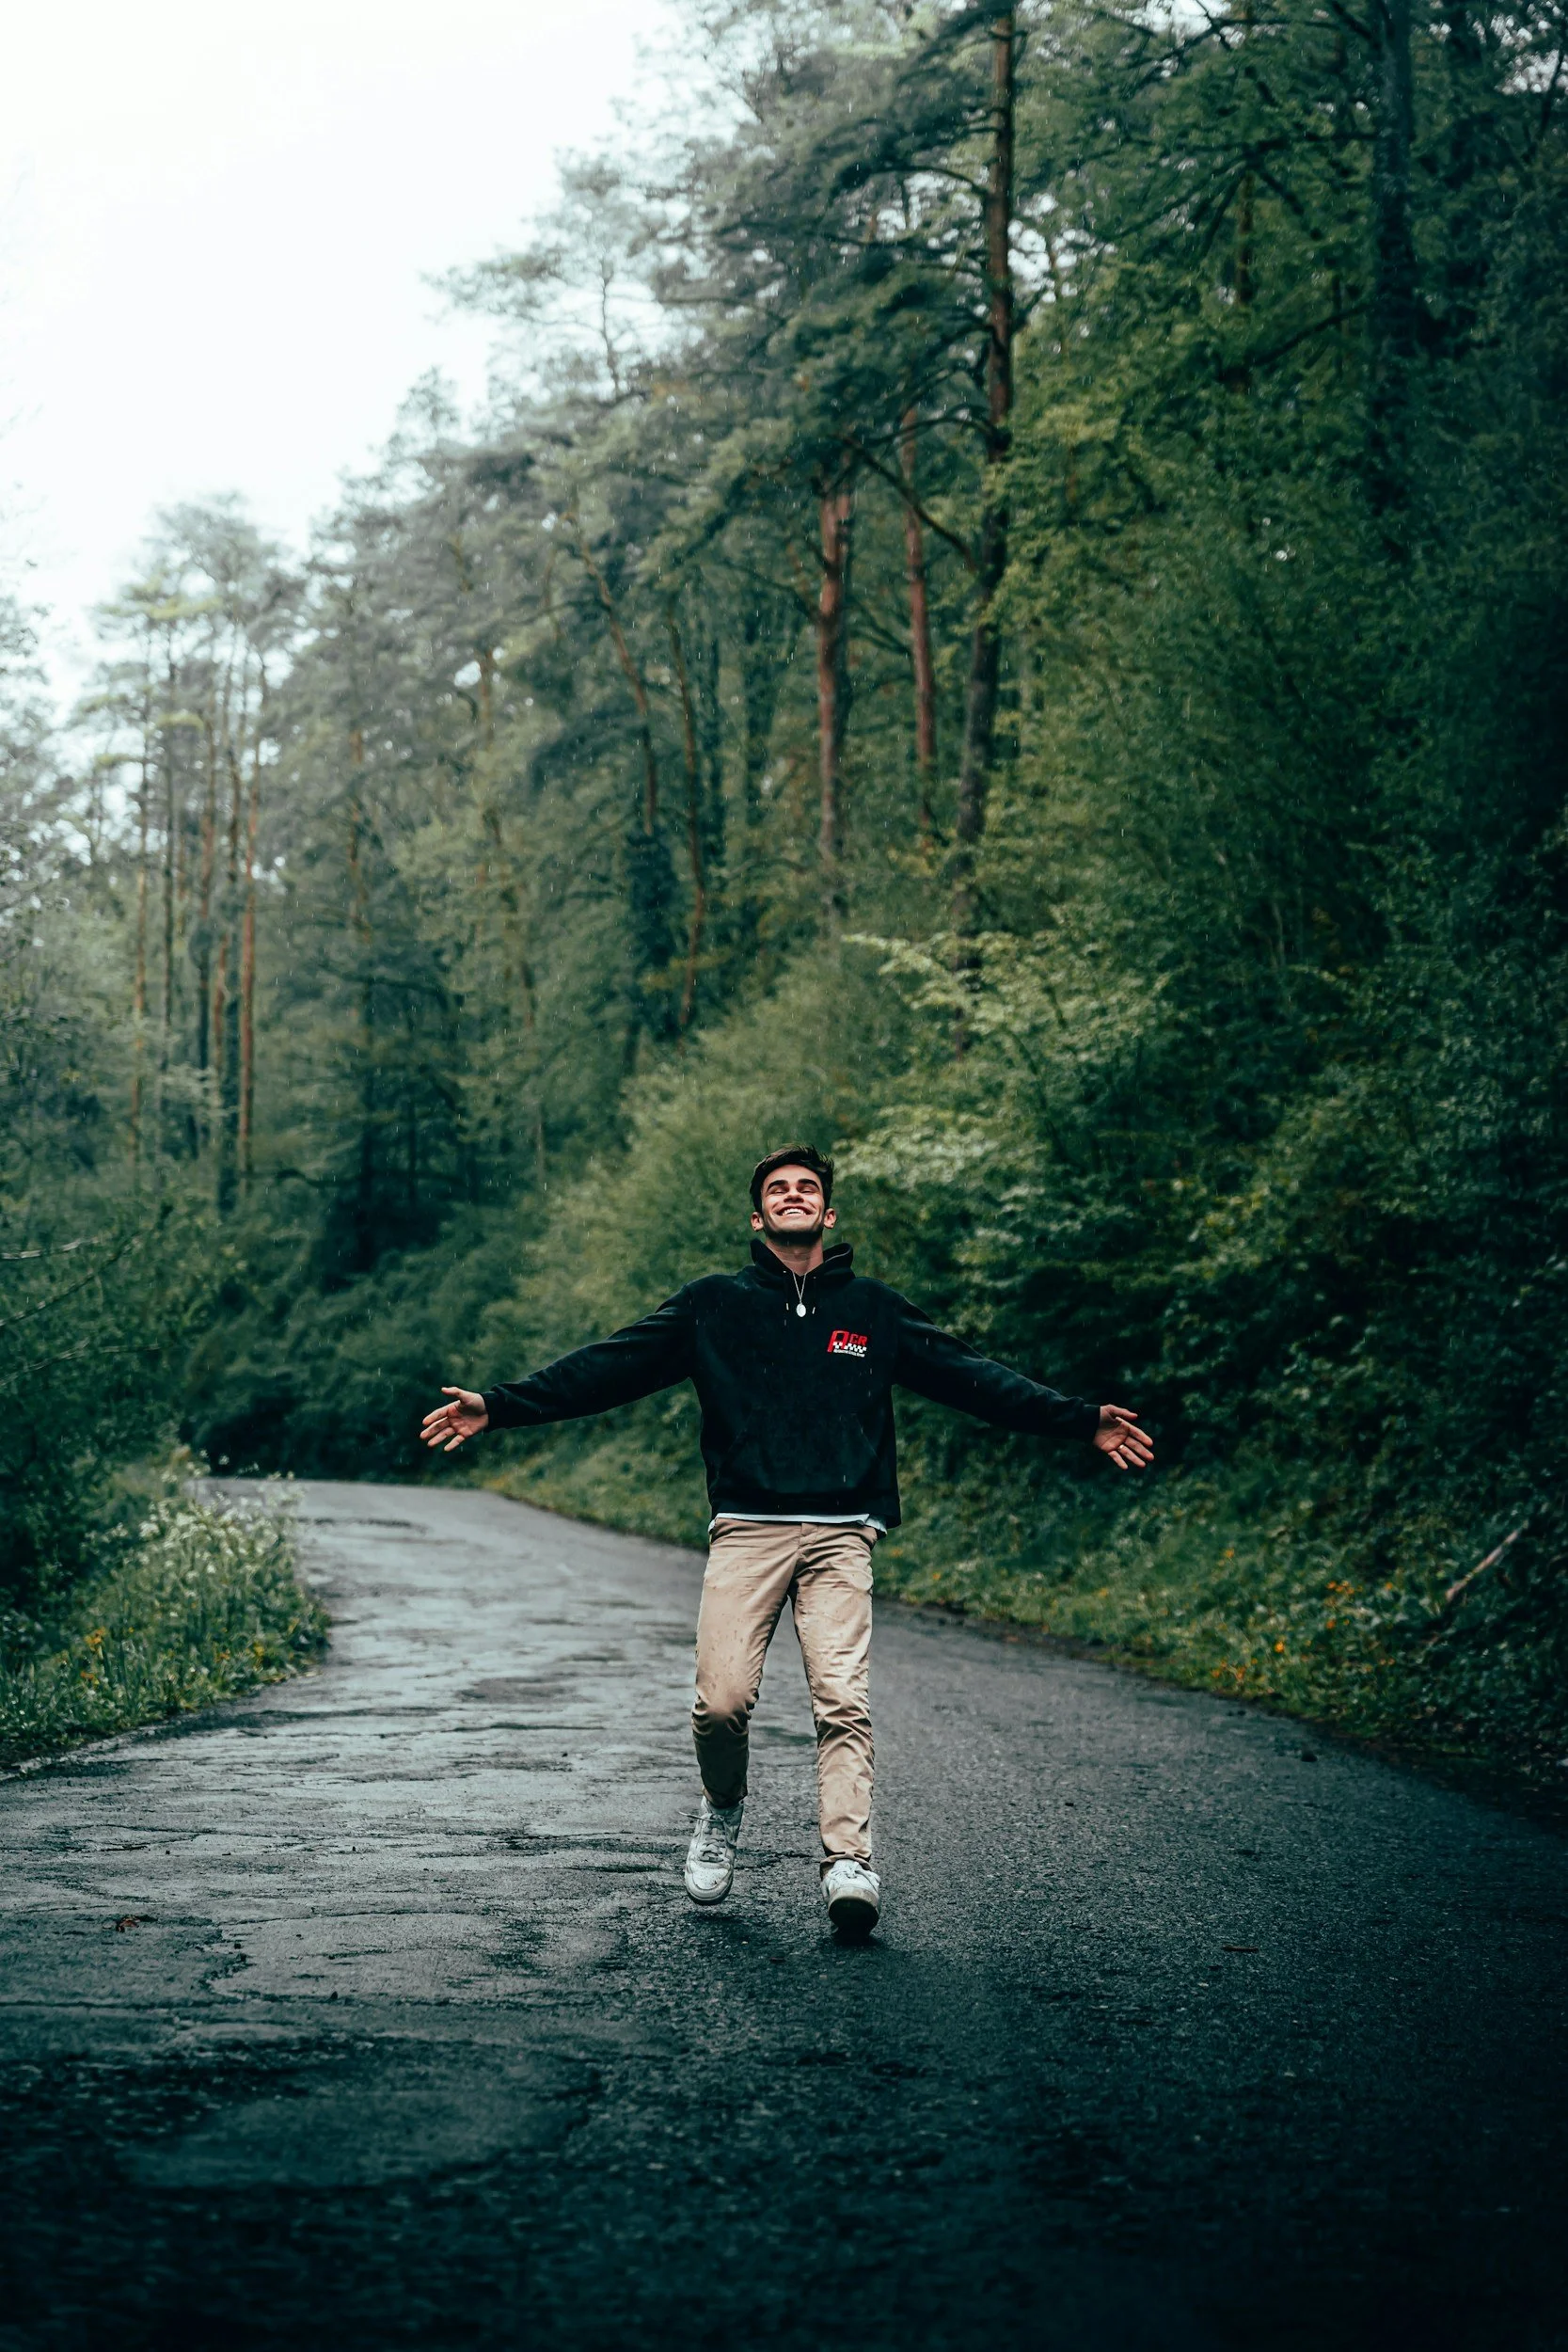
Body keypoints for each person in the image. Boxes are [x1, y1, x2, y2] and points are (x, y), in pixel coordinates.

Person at [420, 1145, 1153, 1937]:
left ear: (828, 1214)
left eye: (807, 1188)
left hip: (843, 1535)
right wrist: (498, 1405)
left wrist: (1079, 1419)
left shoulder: (873, 1311)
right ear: (758, 1215)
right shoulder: (713, 1305)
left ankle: (848, 1860)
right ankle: (721, 1808)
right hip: (746, 1530)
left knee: (843, 1700)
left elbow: (972, 1375)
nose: (794, 1196)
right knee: (721, 1705)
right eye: (778, 1189)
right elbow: (609, 1366)